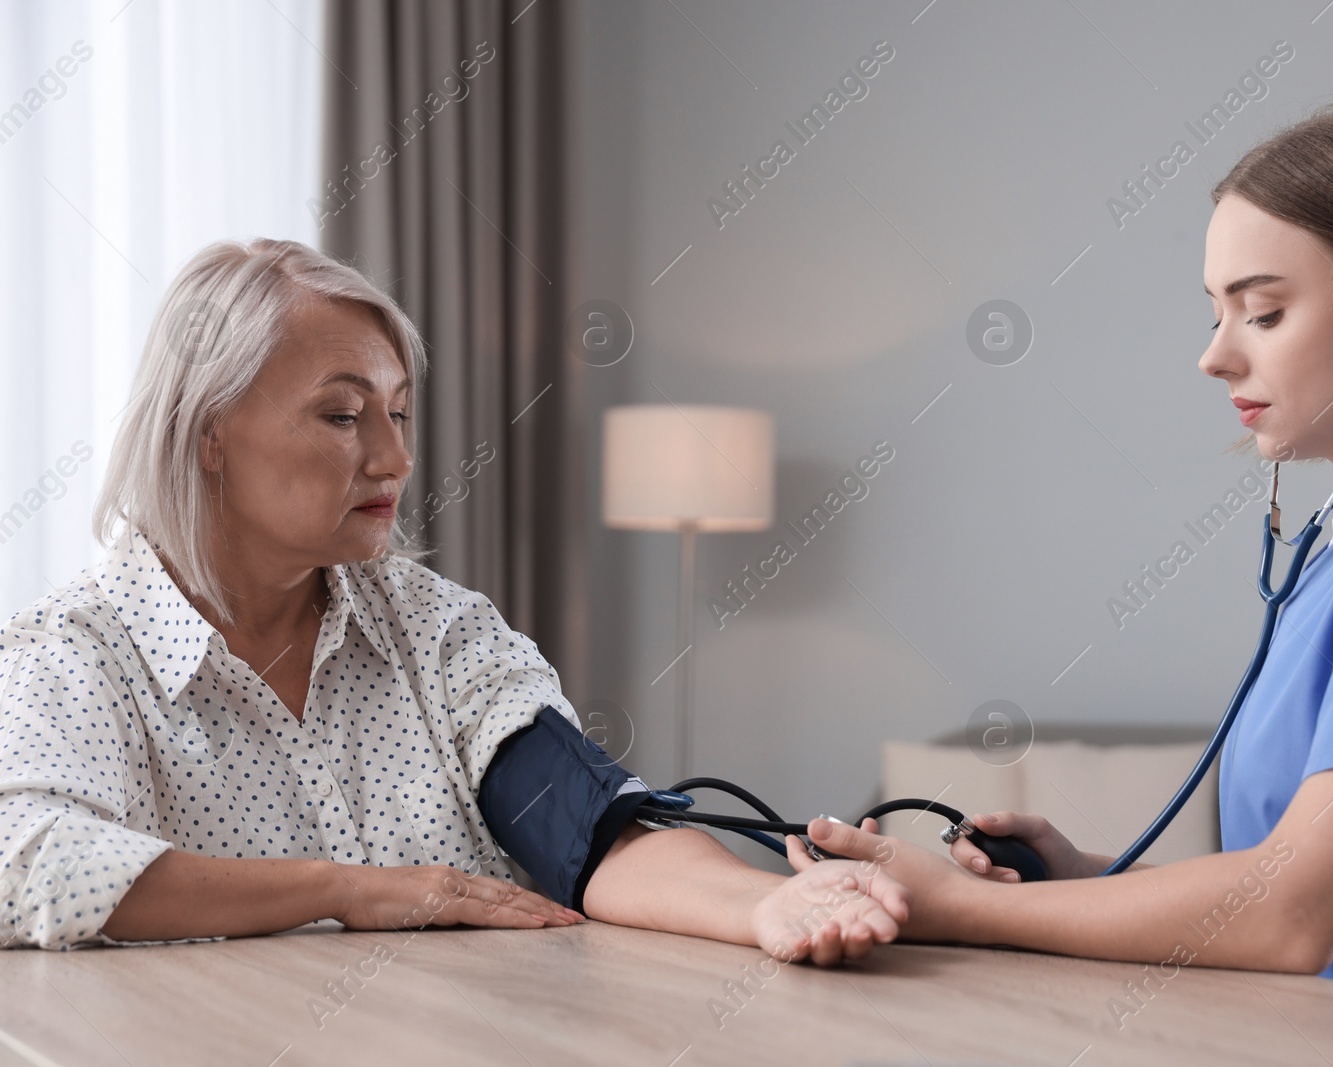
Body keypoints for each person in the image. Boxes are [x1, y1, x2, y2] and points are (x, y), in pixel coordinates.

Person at [790, 99, 1333, 1028]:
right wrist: (1082, 876)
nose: (1214, 356)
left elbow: (1299, 913)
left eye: (1263, 311)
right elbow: (1313, 881)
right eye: (1216, 312)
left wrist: (971, 908)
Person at [0, 239, 904, 964]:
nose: (394, 459)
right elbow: (26, 864)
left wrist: (767, 903)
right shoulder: (75, 653)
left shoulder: (433, 628)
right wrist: (347, 890)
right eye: (343, 415)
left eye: (399, 413)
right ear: (210, 436)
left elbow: (581, 827)